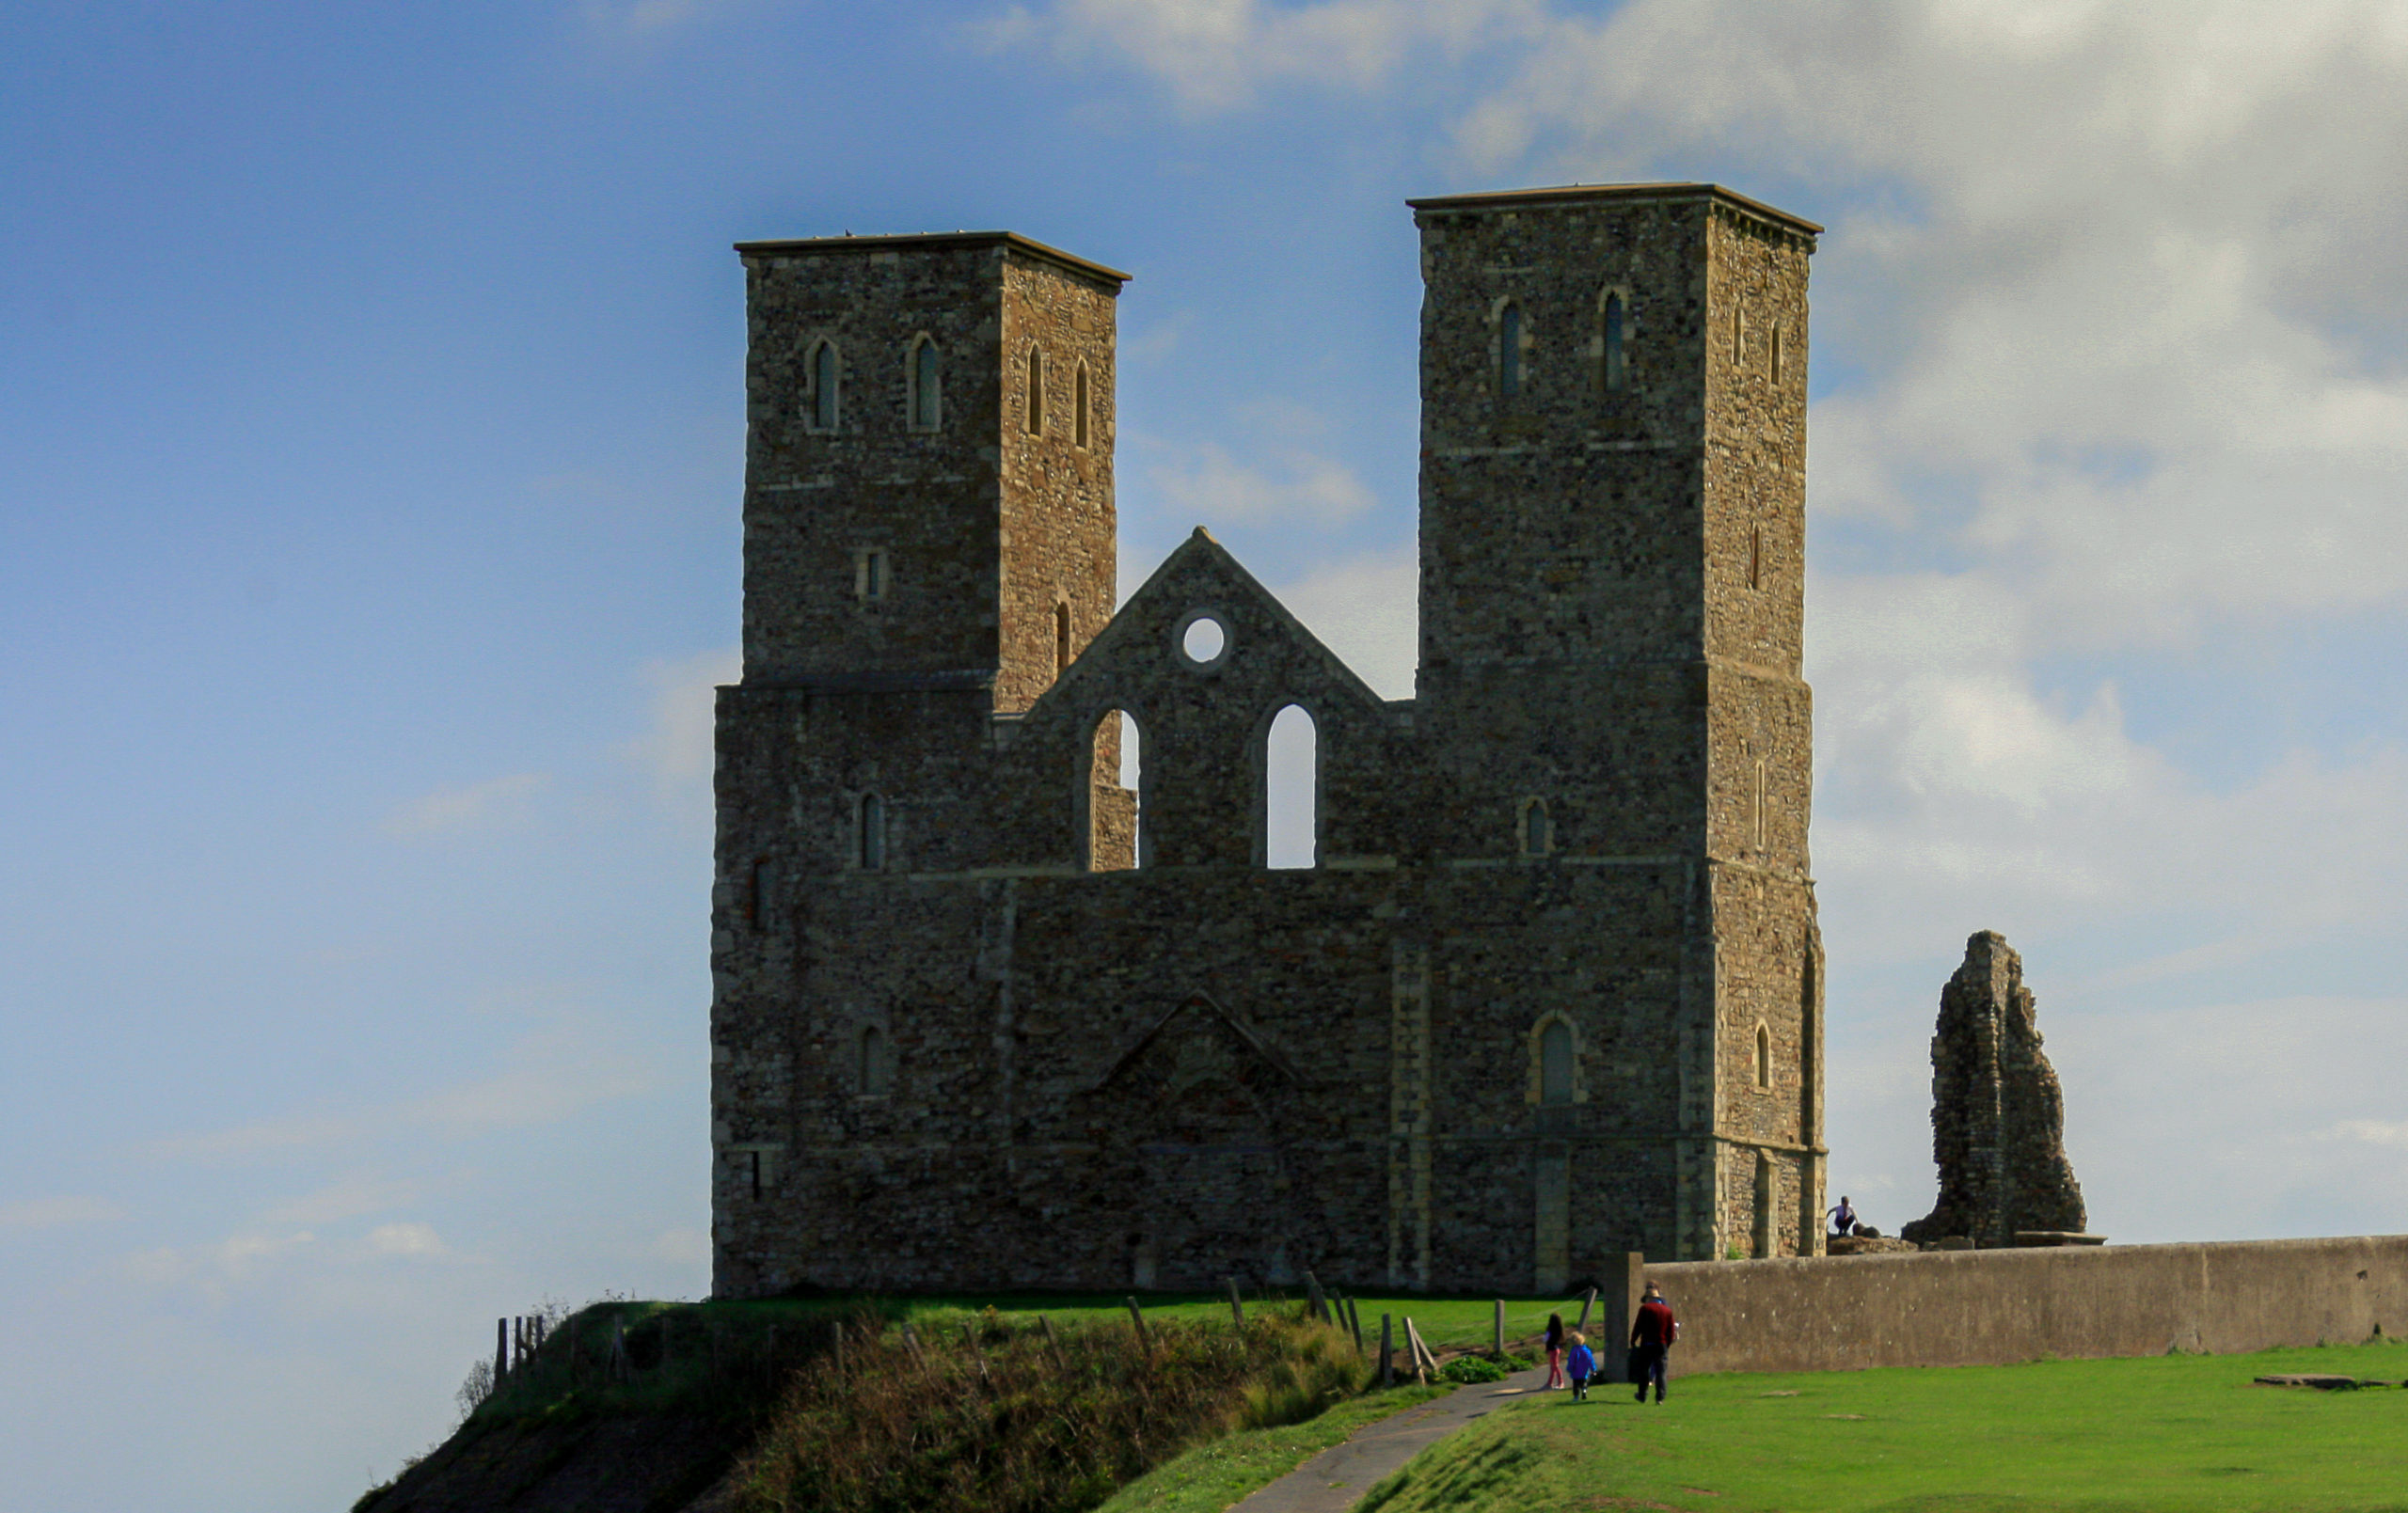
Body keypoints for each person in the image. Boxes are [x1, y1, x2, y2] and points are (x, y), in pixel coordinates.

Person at [1629, 1282, 1677, 1404]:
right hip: (1661, 1344)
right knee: (1661, 1371)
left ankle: (1642, 1395)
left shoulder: (1645, 1309)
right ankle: (1660, 1397)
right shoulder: (1667, 1311)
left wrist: (1633, 1340)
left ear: (1648, 1298)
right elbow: (1671, 1331)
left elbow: (1638, 1326)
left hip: (1647, 1344)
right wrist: (1667, 1344)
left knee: (1644, 1370)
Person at [1563, 1330, 1594, 1401]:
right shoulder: (1587, 1350)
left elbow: (1572, 1361)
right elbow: (1590, 1360)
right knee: (1583, 1384)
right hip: (1584, 1371)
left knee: (1576, 1385)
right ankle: (1584, 1392)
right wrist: (1593, 1368)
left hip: (1576, 1372)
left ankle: (1576, 1396)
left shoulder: (1574, 1351)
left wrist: (1569, 1368)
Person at [1543, 1311, 1566, 1390]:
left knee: (1555, 1366)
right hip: (1556, 1349)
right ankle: (1549, 1383)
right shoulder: (1559, 1330)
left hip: (1552, 1350)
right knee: (1553, 1367)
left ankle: (1561, 1382)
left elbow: (1544, 1339)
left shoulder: (1550, 1331)